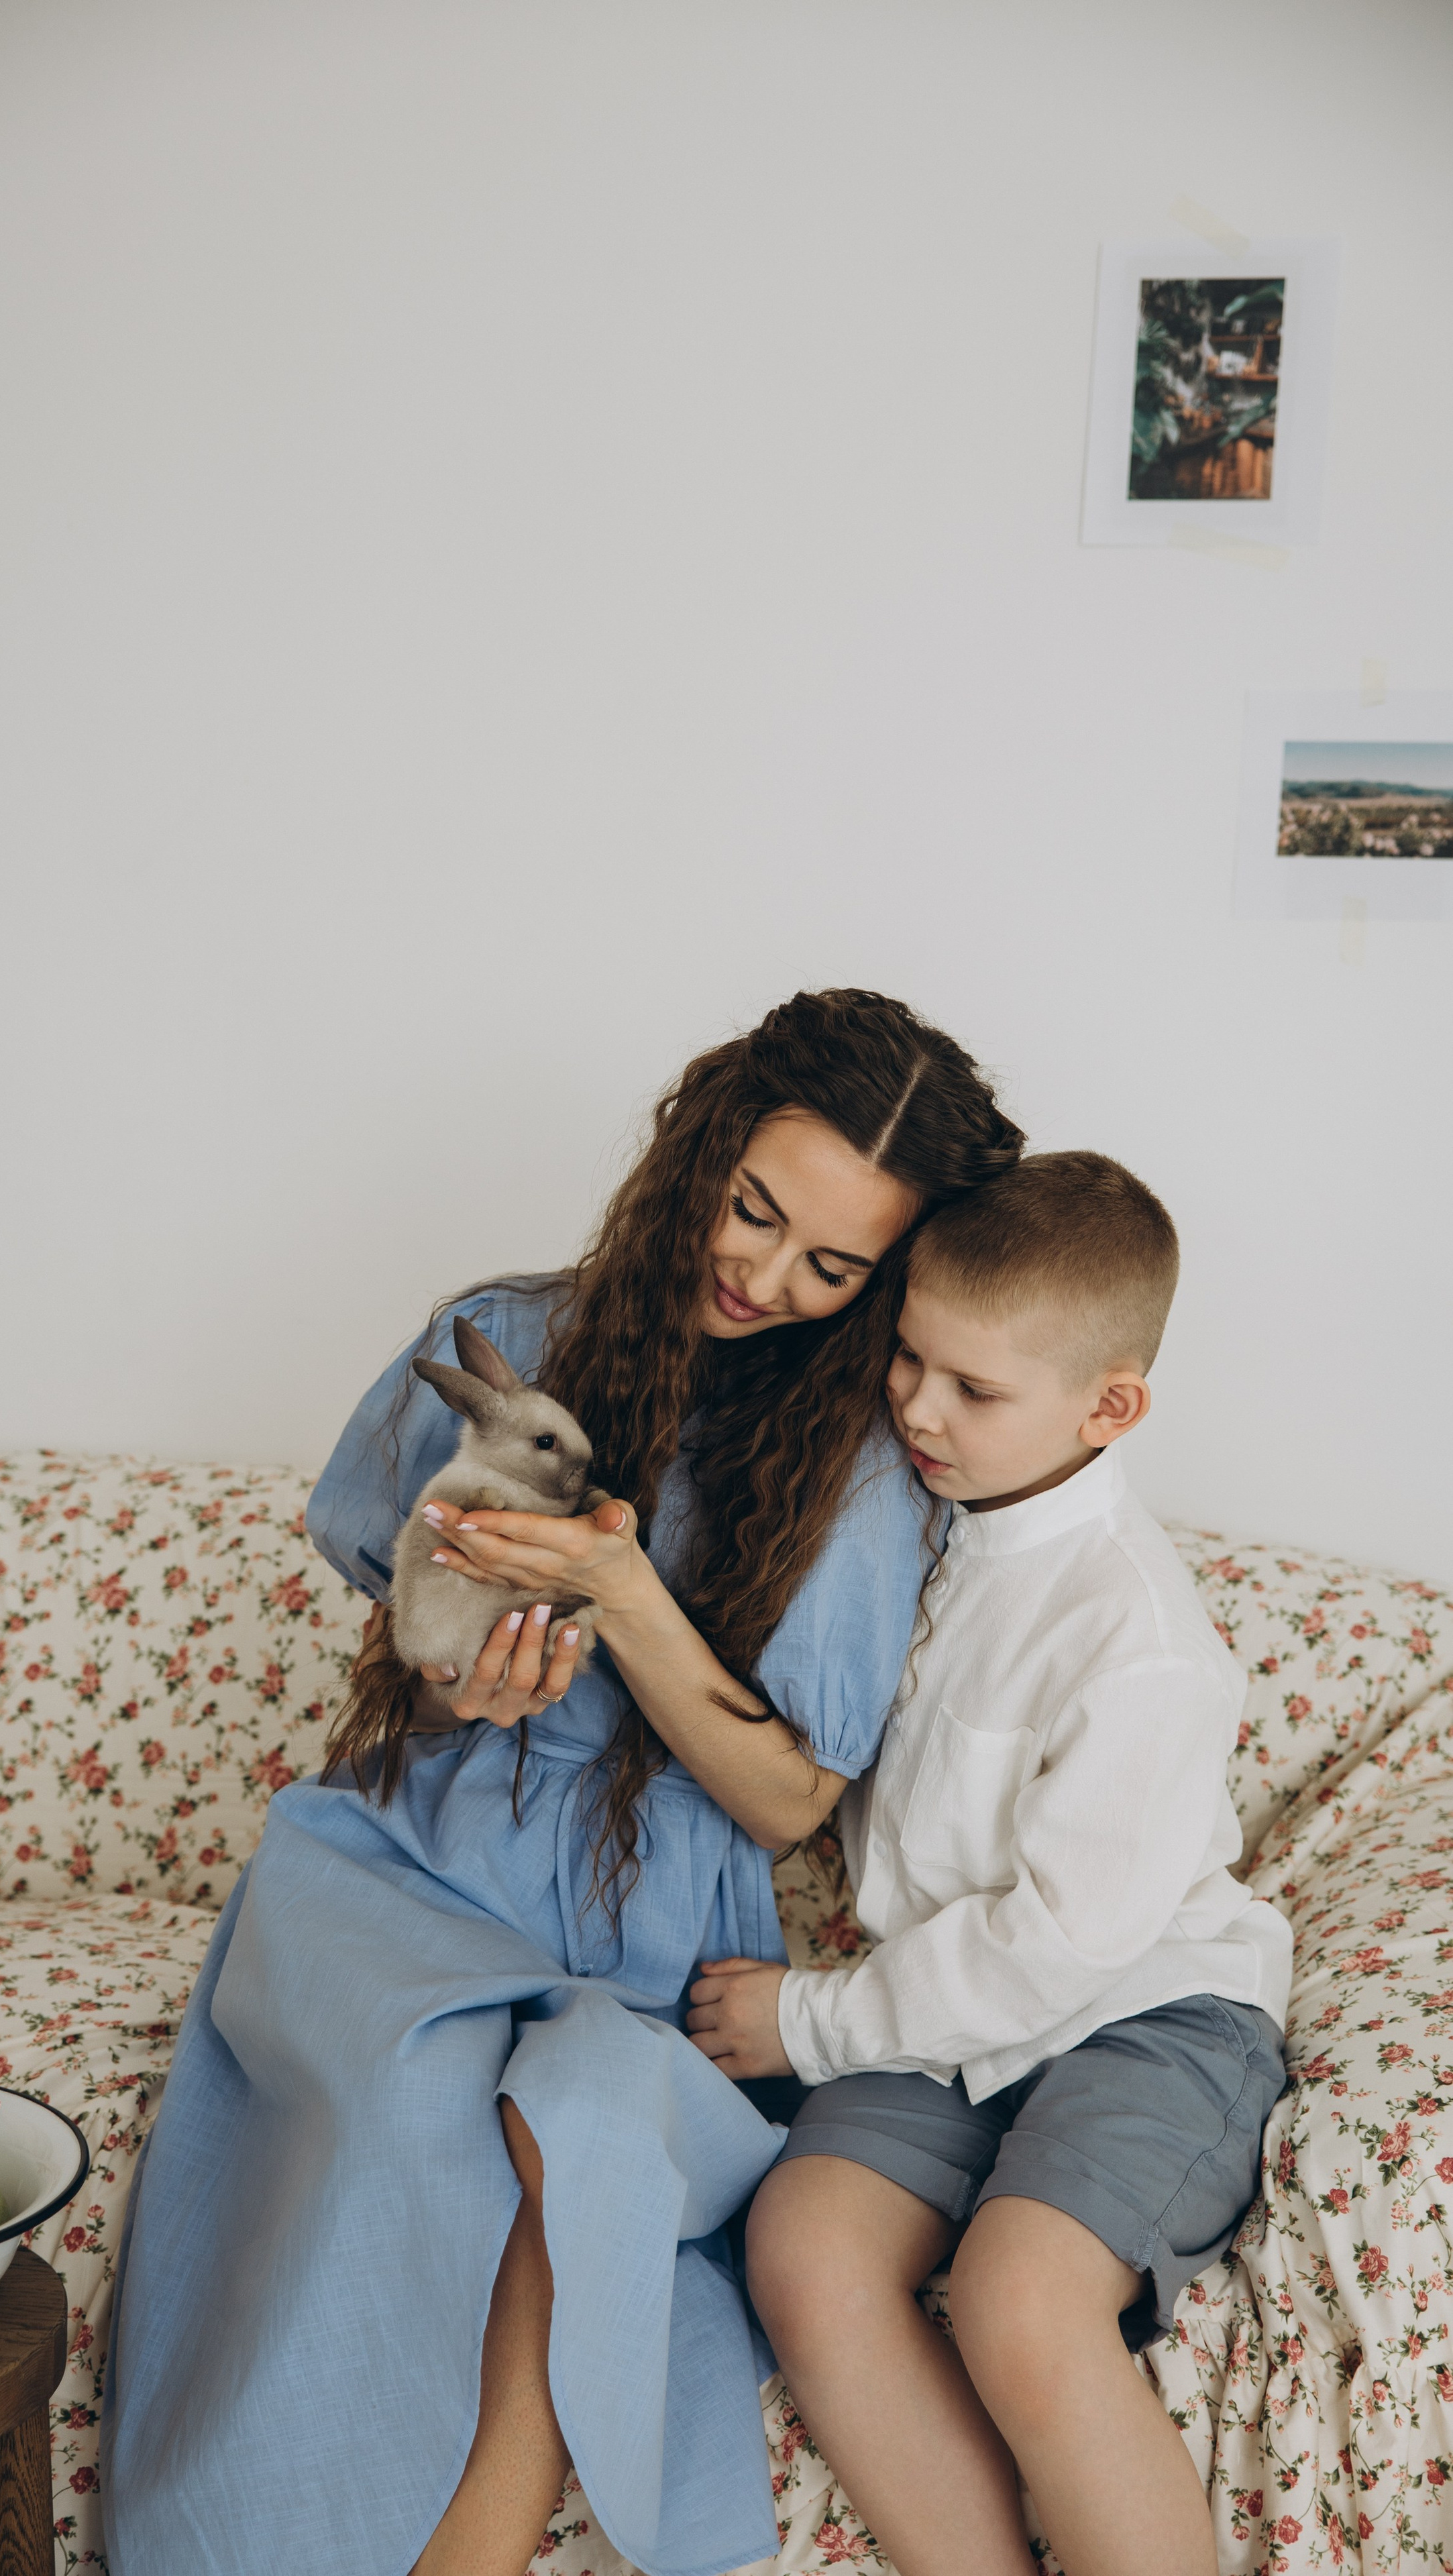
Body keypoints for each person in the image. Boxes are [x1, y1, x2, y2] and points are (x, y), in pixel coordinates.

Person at [101, 989, 1024, 2576]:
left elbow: (787, 1802)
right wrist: (459, 1682)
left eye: (831, 1266)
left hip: (639, 1917)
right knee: (408, 2108)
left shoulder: (863, 1460)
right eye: (753, 1209)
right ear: (702, 1142)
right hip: (410, 1858)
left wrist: (621, 1590)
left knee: (580, 2116)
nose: (764, 1278)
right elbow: (411, 1629)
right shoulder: (508, 1339)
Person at [688, 1152, 1293, 2576]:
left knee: (1020, 2300)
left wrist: (809, 2021)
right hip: (947, 2012)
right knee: (806, 2249)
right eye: (907, 1358)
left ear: (1108, 1408)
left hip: (1143, 2010)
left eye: (972, 1388)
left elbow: (1062, 1943)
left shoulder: (1134, 1636)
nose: (916, 1407)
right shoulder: (903, 1527)